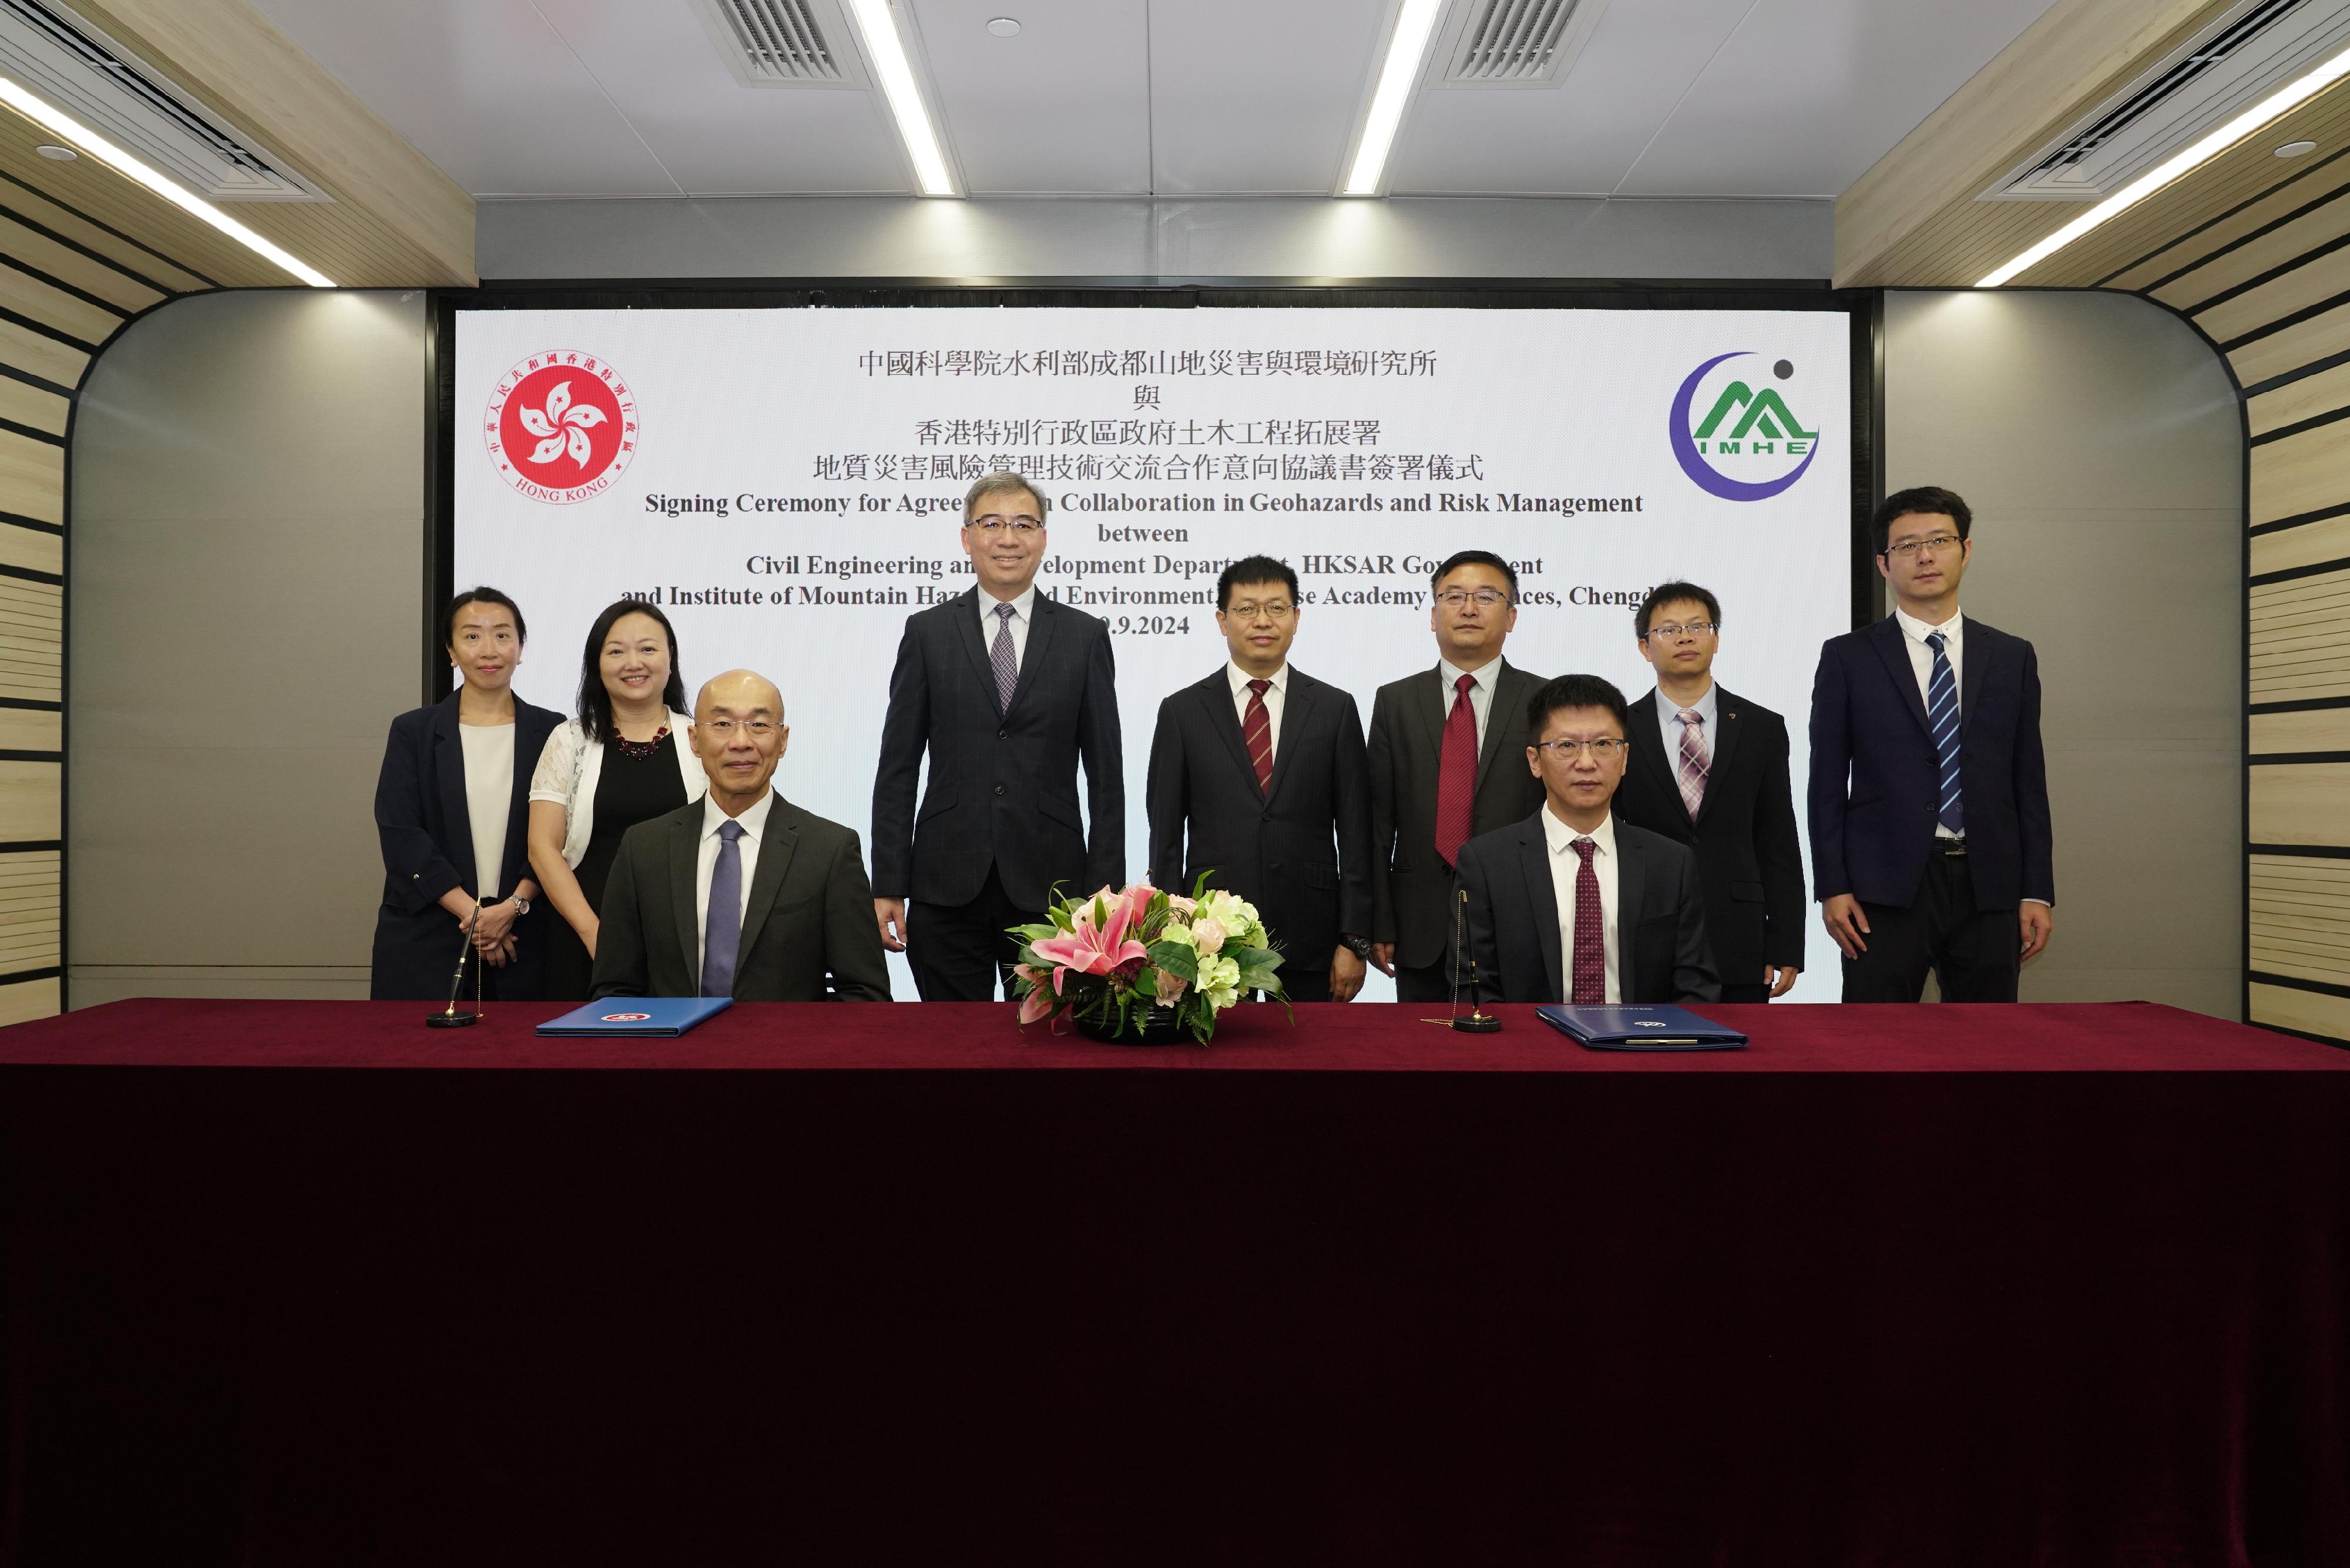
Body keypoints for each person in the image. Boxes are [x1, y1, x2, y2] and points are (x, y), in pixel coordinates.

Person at [871, 471, 1123, 1000]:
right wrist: (889, 880)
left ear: (1044, 538)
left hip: (1052, 887)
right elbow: (897, 767)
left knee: (1046, 1049)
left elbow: (1106, 776)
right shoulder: (928, 632)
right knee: (949, 1050)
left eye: (1024, 524)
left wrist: (1105, 894)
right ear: (967, 537)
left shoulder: (1084, 636)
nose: (1008, 538)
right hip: (944, 881)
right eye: (992, 524)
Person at [1809, 486, 2054, 1002]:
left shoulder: (2012, 657)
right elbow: (1826, 782)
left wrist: (2036, 889)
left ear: (1965, 550)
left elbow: (2028, 780)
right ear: (1883, 563)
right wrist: (1833, 886)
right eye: (1906, 546)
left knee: (1987, 1046)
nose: (1924, 556)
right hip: (1884, 889)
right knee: (1876, 1046)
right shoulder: (1848, 658)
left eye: (1939, 540)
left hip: (1989, 883)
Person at [1146, 555, 1373, 1002]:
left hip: (1315, 936)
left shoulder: (1335, 708)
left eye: (1276, 607)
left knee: (1311, 1065)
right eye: (1246, 609)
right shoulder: (1182, 711)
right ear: (1222, 620)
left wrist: (1354, 939)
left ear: (1296, 618)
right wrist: (1170, 943)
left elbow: (1357, 834)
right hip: (1212, 941)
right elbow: (1166, 838)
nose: (1262, 621)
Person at [592, 670, 889, 1002]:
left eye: (759, 725)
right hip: (672, 1050)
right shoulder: (643, 848)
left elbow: (865, 995)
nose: (741, 742)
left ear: (783, 741)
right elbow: (614, 990)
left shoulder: (829, 850)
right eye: (722, 725)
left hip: (783, 1051)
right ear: (694, 740)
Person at [1455, 674, 1718, 1006]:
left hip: (1642, 1049)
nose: (1587, 763)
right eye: (1566, 746)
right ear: (1535, 761)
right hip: (1530, 1052)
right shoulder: (1487, 864)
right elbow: (1473, 990)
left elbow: (1696, 988)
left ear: (1624, 758)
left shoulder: (1670, 863)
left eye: (1603, 744)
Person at [1365, 550, 1548, 1002]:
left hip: (1520, 915)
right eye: (1454, 596)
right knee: (1421, 1059)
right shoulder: (1395, 702)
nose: (1468, 608)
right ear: (1433, 616)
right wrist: (1379, 920)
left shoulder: (1544, 699)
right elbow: (1376, 824)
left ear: (1512, 616)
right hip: (1418, 925)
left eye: (1486, 596)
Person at [1613, 581, 1805, 1003]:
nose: (1685, 636)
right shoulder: (1619, 730)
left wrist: (1787, 941)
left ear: (1715, 639)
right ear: (1645, 647)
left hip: (1739, 936)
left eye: (1697, 626)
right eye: (1668, 629)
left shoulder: (1762, 727)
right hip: (1641, 928)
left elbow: (1778, 840)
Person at [371, 588, 562, 1000]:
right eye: (472, 636)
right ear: (451, 651)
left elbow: (566, 832)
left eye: (503, 636)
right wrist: (477, 918)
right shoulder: (413, 732)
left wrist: (512, 907)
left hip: (526, 935)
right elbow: (401, 833)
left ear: (521, 648)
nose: (488, 650)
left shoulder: (554, 731)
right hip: (429, 936)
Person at [527, 599, 706, 999]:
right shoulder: (567, 740)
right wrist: (597, 936)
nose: (633, 662)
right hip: (583, 934)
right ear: (597, 663)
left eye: (647, 648)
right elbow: (542, 848)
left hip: (687, 939)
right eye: (616, 651)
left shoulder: (702, 739)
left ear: (670, 658)